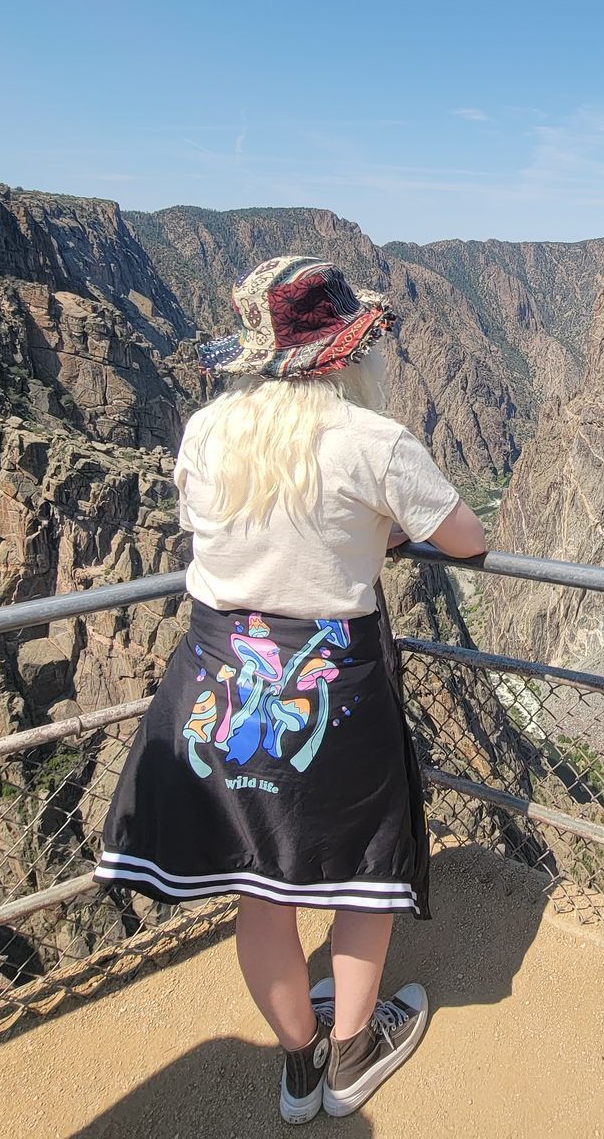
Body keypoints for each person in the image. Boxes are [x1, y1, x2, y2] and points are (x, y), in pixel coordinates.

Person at [93, 255, 488, 1123]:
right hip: (330, 684)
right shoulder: (370, 441)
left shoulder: (206, 430)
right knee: (356, 875)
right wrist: (372, 530)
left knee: (258, 883)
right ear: (345, 351)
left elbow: (221, 533)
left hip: (214, 675)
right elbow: (464, 537)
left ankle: (300, 1067)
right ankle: (354, 1054)